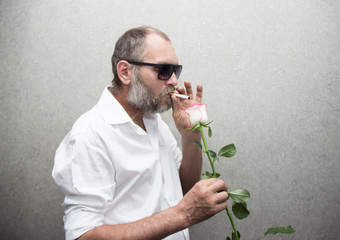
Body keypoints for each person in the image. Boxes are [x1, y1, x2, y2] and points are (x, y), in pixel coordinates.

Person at [52, 26, 228, 240]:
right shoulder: (90, 136)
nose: (173, 80)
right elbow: (84, 235)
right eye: (163, 70)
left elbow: (181, 189)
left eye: (176, 70)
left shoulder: (154, 121)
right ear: (125, 72)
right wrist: (183, 215)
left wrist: (191, 136)